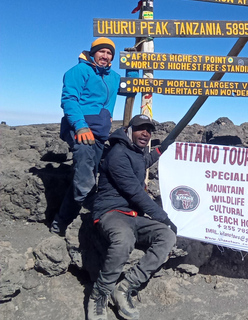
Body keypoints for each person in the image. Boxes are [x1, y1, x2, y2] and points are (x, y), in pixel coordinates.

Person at [87, 114, 177, 320]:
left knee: (167, 236)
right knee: (124, 239)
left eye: (149, 130)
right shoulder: (117, 154)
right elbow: (136, 192)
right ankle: (99, 294)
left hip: (134, 215)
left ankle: (126, 286)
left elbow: (144, 160)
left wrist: (162, 148)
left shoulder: (134, 152)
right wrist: (163, 217)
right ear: (129, 130)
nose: (145, 133)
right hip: (112, 213)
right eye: (140, 128)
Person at [50, 37, 121, 236]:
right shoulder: (78, 71)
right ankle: (90, 205)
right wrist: (80, 126)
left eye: (109, 53)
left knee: (84, 175)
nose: (105, 56)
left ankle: (60, 222)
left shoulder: (113, 77)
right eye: (102, 51)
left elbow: (131, 88)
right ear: (93, 52)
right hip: (79, 128)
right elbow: (69, 100)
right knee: (86, 178)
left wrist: (133, 69)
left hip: (99, 134)